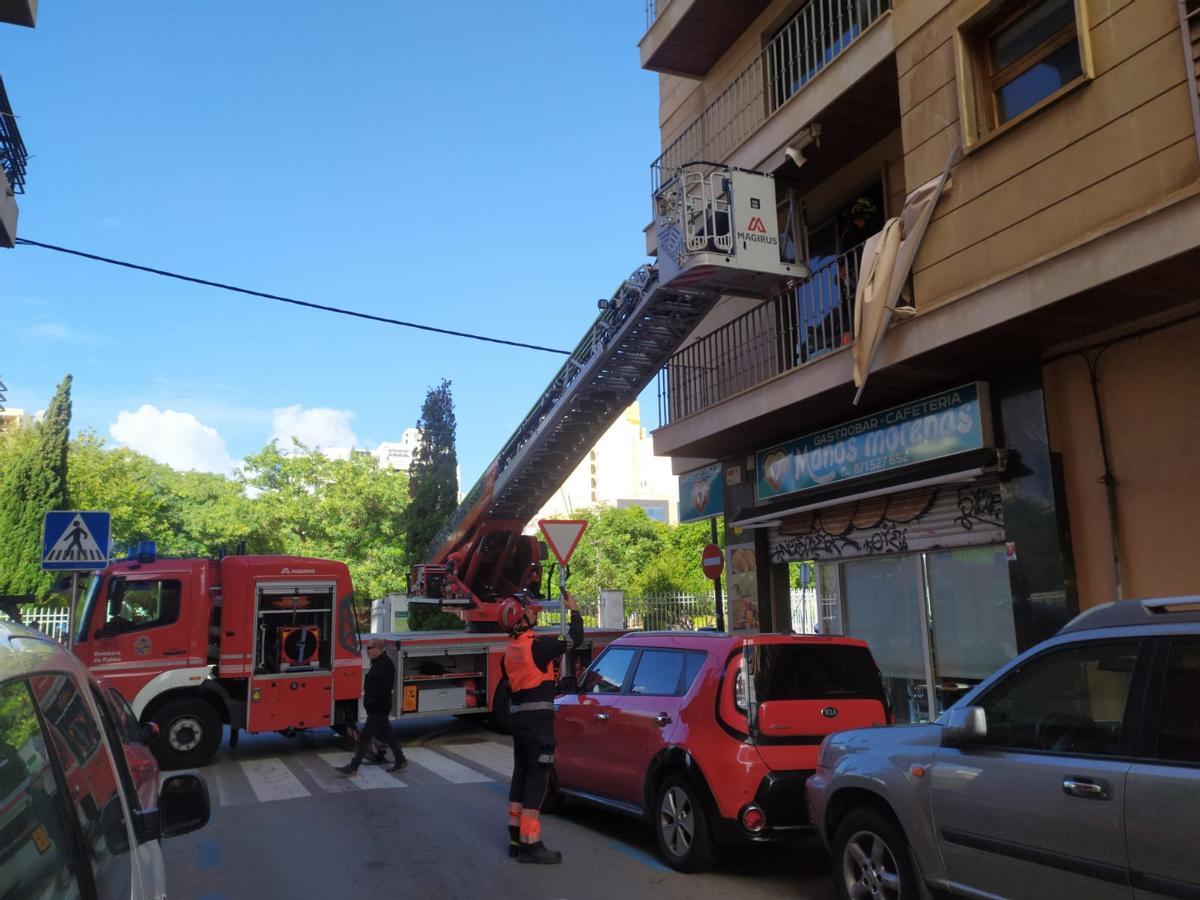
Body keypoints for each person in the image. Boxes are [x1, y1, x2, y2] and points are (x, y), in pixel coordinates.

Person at [500, 581, 582, 864]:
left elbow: (511, 689)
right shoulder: (538, 646)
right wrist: (575, 612)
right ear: (522, 619)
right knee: (538, 778)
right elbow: (575, 639)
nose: (534, 614)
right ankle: (531, 846)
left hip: (519, 724)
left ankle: (515, 839)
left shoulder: (508, 652)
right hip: (538, 725)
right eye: (530, 612)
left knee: (521, 774)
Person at [337, 639, 407, 776]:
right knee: (387, 734)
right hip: (377, 708)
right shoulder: (378, 663)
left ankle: (353, 767)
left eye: (370, 648)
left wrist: (372, 701)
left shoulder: (385, 664)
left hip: (378, 708)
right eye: (367, 648)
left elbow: (384, 688)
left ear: (379, 648)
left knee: (365, 738)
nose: (367, 651)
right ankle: (400, 759)